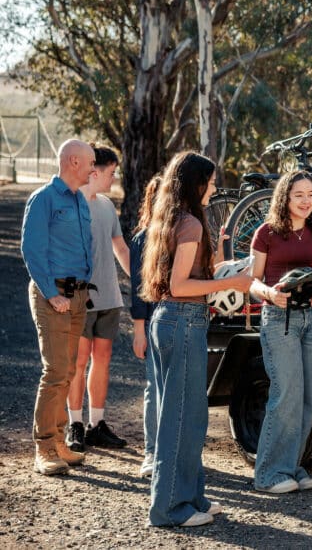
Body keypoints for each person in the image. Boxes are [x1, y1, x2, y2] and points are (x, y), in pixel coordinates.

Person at [141, 151, 252, 527]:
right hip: (184, 321)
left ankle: (191, 497)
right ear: (196, 184)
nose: (215, 189)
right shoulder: (189, 223)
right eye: (211, 182)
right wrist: (232, 282)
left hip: (171, 319)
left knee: (187, 417)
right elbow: (181, 285)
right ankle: (170, 508)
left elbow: (183, 278)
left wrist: (219, 263)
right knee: (182, 419)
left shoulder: (174, 219)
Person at [248, 170, 312, 494]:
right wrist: (269, 294)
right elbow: (252, 281)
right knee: (286, 395)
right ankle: (269, 474)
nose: (306, 201)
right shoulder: (266, 233)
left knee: (309, 397)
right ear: (285, 197)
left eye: (310, 194)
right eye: (299, 195)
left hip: (311, 319)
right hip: (278, 318)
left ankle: (292, 466)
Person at [20, 139, 96, 475]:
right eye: (90, 162)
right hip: (54, 296)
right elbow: (31, 249)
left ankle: (60, 442)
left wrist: (81, 290)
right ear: (74, 162)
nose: (93, 169)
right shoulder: (44, 199)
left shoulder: (80, 200)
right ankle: (44, 447)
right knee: (54, 372)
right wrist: (52, 294)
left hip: (77, 297)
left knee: (68, 372)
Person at [66, 145, 131, 452]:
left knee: (101, 360)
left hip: (109, 297)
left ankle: (96, 424)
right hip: (81, 300)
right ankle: (75, 425)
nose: (114, 178)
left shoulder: (106, 206)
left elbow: (121, 248)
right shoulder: (71, 204)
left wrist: (143, 282)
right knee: (78, 362)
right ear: (95, 171)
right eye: (112, 172)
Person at [129, 174, 161, 477]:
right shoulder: (143, 238)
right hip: (152, 322)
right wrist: (138, 331)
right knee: (154, 388)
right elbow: (138, 289)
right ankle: (151, 452)